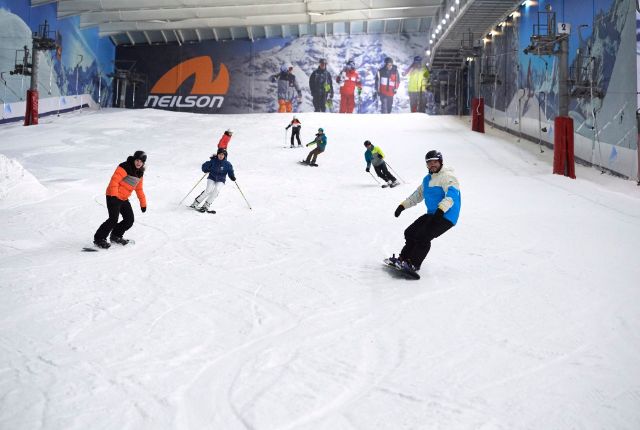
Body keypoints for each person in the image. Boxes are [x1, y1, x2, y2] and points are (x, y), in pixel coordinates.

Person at [390, 150, 461, 274]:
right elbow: (417, 195)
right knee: (410, 232)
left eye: (435, 162)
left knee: (423, 237)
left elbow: (452, 196)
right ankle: (404, 259)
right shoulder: (427, 179)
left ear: (440, 162)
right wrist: (402, 206)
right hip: (433, 213)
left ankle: (413, 264)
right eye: (429, 162)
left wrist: (441, 209)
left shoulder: (448, 177)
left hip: (447, 215)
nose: (432, 165)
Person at [93, 151, 147, 249]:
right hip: (112, 196)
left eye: (141, 161)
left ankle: (116, 235)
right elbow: (114, 181)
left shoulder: (139, 173)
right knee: (113, 219)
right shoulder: (125, 167)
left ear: (143, 163)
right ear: (134, 159)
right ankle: (99, 238)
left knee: (129, 220)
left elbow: (139, 189)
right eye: (137, 160)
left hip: (123, 198)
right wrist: (114, 196)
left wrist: (143, 204)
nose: (139, 163)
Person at [190, 148, 236, 213]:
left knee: (216, 190)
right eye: (219, 154)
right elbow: (204, 166)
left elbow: (230, 171)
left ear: (225, 155)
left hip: (221, 179)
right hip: (212, 177)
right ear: (217, 154)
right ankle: (196, 203)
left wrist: (232, 176)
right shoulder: (213, 161)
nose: (221, 156)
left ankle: (206, 205)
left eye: (222, 154)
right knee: (208, 190)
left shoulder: (227, 164)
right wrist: (206, 169)